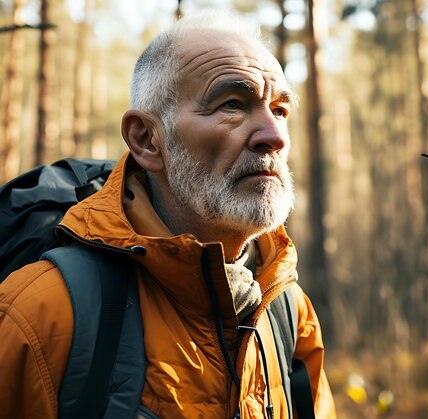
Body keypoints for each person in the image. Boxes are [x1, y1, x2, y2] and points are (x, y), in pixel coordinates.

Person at [0, 9, 336, 418]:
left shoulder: (287, 309)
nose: (274, 136)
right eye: (233, 104)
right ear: (146, 140)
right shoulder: (41, 314)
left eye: (280, 110)